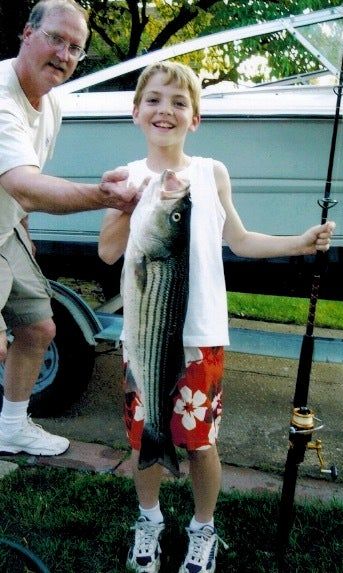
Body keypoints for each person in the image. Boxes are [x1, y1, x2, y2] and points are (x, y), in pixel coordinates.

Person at [98, 61, 335, 573]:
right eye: (155, 100)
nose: (167, 110)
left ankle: (203, 526)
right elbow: (108, 253)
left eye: (180, 102)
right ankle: (149, 519)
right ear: (136, 111)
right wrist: (125, 205)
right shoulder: (128, 177)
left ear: (196, 118)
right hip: (143, 336)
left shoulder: (210, 172)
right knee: (145, 437)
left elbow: (242, 240)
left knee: (201, 442)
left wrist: (299, 242)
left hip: (201, 335)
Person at [0, 0, 141, 457]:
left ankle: (12, 427)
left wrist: (24, 231)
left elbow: (25, 185)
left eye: (75, 48)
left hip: (6, 229)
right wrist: (105, 196)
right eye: (55, 39)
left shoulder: (52, 101)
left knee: (39, 328)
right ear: (26, 34)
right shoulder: (2, 98)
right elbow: (26, 186)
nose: (63, 54)